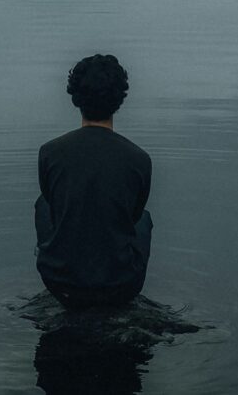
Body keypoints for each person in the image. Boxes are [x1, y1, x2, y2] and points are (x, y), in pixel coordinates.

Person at [35, 54, 153, 309]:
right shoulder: (139, 159)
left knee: (43, 205)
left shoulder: (50, 152)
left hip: (60, 280)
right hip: (120, 283)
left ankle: (55, 258)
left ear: (75, 97)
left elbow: (55, 207)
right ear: (119, 99)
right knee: (143, 219)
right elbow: (132, 217)